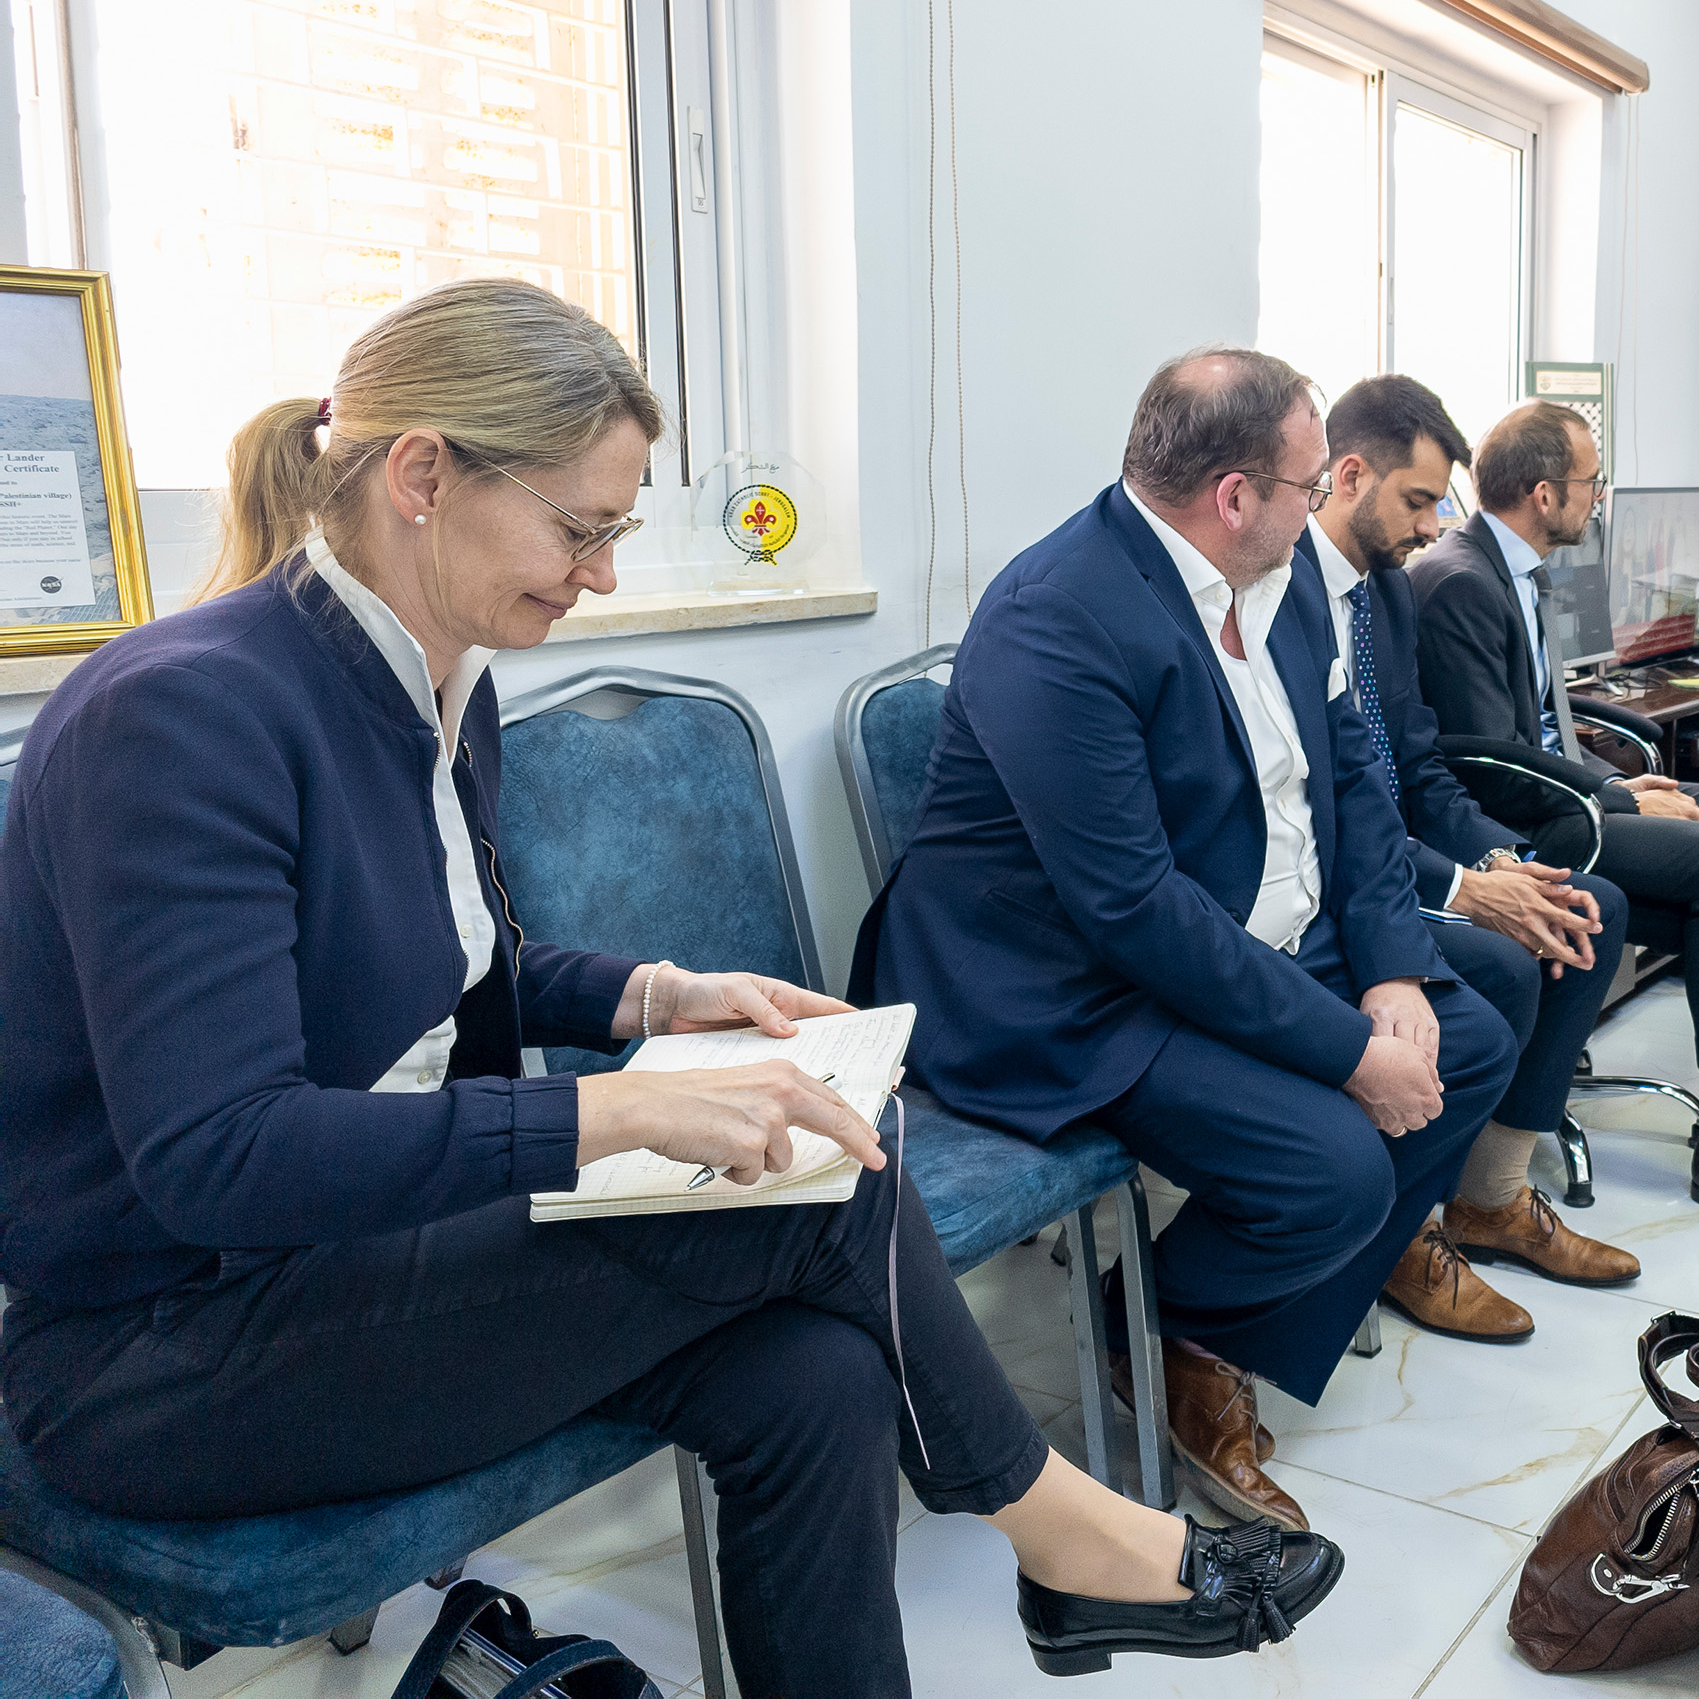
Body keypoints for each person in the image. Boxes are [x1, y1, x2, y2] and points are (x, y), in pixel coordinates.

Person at [0, 281, 1338, 1699]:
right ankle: (1075, 1546)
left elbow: (440, 981)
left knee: (813, 1383)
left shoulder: (443, 682)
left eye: (616, 533)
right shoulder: (183, 712)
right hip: (162, 1356)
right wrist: (612, 1127)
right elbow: (218, 1156)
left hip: (359, 1257)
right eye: (580, 529)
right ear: (421, 476)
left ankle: (1057, 1566)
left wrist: (655, 997)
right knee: (823, 1184)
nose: (602, 579)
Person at [853, 346, 1516, 1536]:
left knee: (1467, 1033)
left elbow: (1351, 774)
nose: (1322, 505)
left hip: (1237, 926)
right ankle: (1154, 1331)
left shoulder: (1288, 572)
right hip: (1056, 984)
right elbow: (1130, 910)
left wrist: (1394, 973)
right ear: (1233, 495)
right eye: (1310, 486)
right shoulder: (1055, 616)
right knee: (1333, 1164)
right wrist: (1347, 1047)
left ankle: (1201, 1335)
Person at [1410, 399, 1699, 1247]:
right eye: (1592, 483)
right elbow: (1487, 768)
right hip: (1524, 834)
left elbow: (1538, 727)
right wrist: (1618, 797)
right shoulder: (1460, 584)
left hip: (1567, 795)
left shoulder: (1512, 570)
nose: (1599, 500)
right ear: (1544, 493)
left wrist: (1617, 781)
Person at [1301, 375, 1641, 1335]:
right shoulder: (1284, 596)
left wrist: (1496, 863)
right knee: (1498, 963)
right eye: (1418, 501)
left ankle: (1490, 1198)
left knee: (1580, 906)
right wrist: (1457, 885)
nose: (1431, 525)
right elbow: (1325, 807)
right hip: (1339, 876)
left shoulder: (1388, 597)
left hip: (1394, 848)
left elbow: (1416, 764)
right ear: (1345, 475)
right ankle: (1409, 1230)